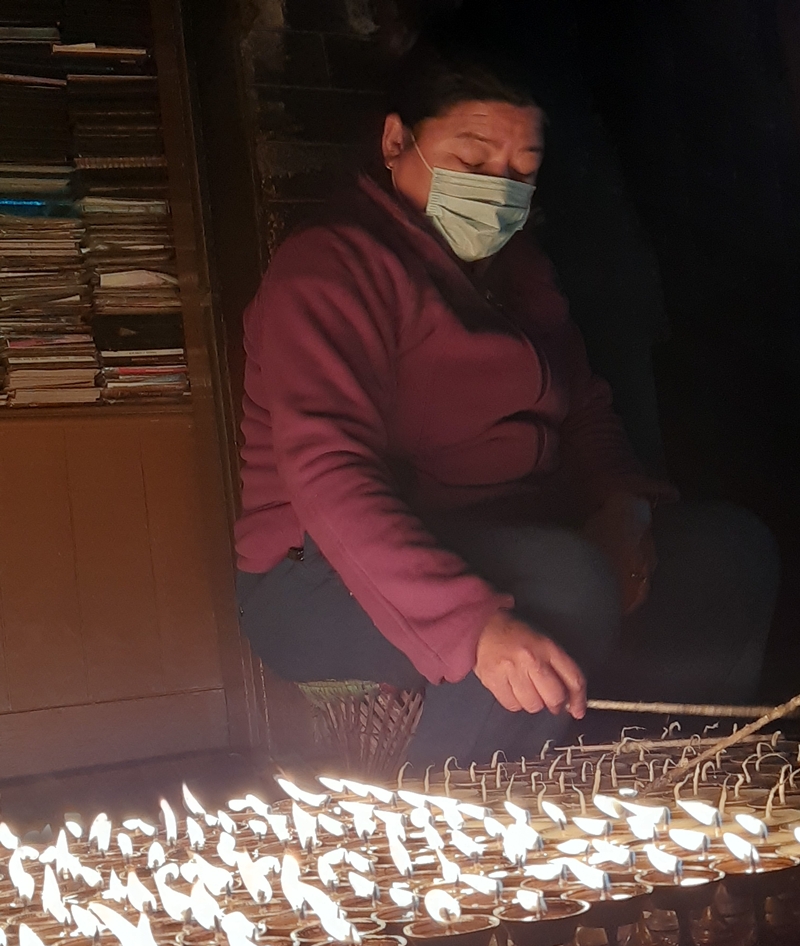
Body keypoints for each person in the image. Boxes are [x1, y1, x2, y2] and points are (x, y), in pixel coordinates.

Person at [235, 41, 779, 765]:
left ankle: (659, 783)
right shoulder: (330, 266)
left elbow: (585, 409)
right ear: (397, 141)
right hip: (319, 574)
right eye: (472, 160)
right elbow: (330, 475)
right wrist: (469, 626)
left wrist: (625, 508)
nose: (499, 189)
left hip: (514, 534)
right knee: (565, 584)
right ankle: (445, 835)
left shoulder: (521, 272)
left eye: (521, 172)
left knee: (729, 553)